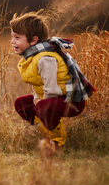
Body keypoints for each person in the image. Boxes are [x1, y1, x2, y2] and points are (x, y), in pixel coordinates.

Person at [10, 12, 95, 150]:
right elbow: (37, 84)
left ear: (33, 40)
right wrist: (37, 99)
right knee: (22, 103)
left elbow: (52, 90)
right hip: (52, 99)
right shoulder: (30, 58)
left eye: (17, 37)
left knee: (43, 106)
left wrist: (40, 103)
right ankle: (47, 134)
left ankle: (57, 142)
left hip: (71, 100)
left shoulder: (45, 59)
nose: (12, 41)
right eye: (12, 37)